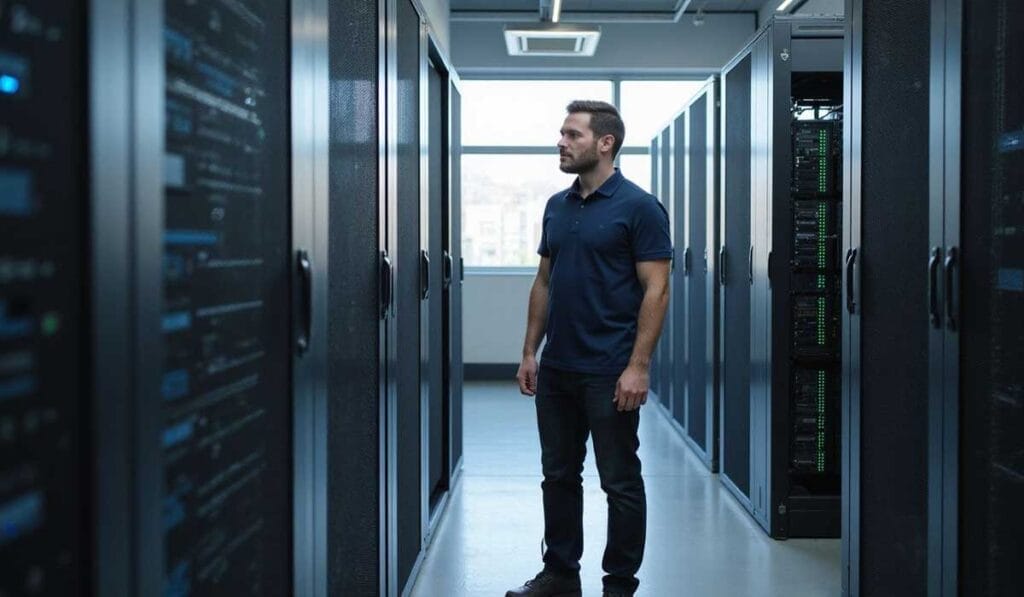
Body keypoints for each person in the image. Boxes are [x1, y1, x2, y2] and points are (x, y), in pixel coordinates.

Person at [506, 101, 672, 597]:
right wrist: (530, 351)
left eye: (573, 135)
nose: (561, 142)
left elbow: (657, 290)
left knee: (619, 481)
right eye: (561, 133)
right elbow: (543, 281)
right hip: (558, 367)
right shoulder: (557, 206)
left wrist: (638, 366)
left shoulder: (640, 207)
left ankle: (619, 584)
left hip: (610, 370)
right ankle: (560, 574)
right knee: (557, 475)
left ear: (606, 143)